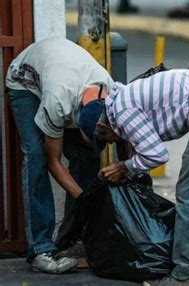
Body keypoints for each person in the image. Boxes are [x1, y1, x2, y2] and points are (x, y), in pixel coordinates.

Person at [81, 69, 189, 286]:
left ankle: (186, 275)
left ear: (102, 126)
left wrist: (124, 167)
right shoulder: (122, 100)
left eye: (107, 139)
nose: (111, 143)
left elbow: (156, 155)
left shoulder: (122, 111)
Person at [5, 37, 114, 273]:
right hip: (25, 84)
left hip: (65, 76)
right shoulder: (58, 102)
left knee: (87, 157)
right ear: (79, 124)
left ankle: (70, 238)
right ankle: (41, 249)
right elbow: (54, 162)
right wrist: (85, 198)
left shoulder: (111, 92)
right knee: (36, 156)